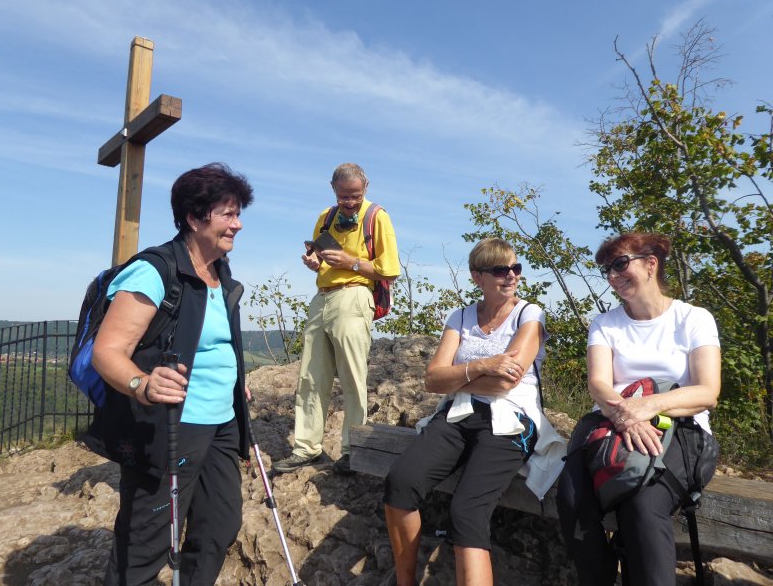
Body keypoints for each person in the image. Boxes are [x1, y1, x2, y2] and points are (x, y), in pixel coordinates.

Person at [90, 163, 254, 585]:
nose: (237, 224)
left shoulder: (220, 273)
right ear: (195, 217)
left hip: (222, 423)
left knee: (219, 525)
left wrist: (235, 380)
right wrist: (142, 384)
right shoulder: (156, 270)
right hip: (169, 426)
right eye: (228, 214)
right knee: (146, 542)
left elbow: (214, 343)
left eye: (238, 214)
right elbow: (107, 351)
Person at [383, 238, 566, 586]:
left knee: (467, 510)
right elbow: (432, 379)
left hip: (511, 420)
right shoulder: (461, 317)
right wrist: (484, 365)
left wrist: (456, 377)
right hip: (459, 414)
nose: (511, 276)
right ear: (477, 277)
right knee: (401, 482)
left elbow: (505, 383)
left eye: (515, 268)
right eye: (500, 270)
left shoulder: (529, 315)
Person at [556, 232, 721, 586]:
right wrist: (626, 416)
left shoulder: (693, 319)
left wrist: (645, 407)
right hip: (609, 426)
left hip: (681, 428)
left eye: (620, 264)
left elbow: (708, 392)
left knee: (643, 507)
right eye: (607, 270)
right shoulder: (605, 324)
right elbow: (598, 384)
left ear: (650, 264)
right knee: (571, 498)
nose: (613, 276)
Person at [273, 162, 400, 475]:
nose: (350, 202)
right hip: (323, 296)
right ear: (333, 189)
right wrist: (315, 263)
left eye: (356, 195)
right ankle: (306, 448)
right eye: (344, 196)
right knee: (310, 376)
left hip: (355, 294)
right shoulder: (325, 217)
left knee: (353, 376)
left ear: (366, 188)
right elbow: (321, 258)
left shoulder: (377, 216)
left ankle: (352, 451)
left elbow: (389, 270)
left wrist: (351, 262)